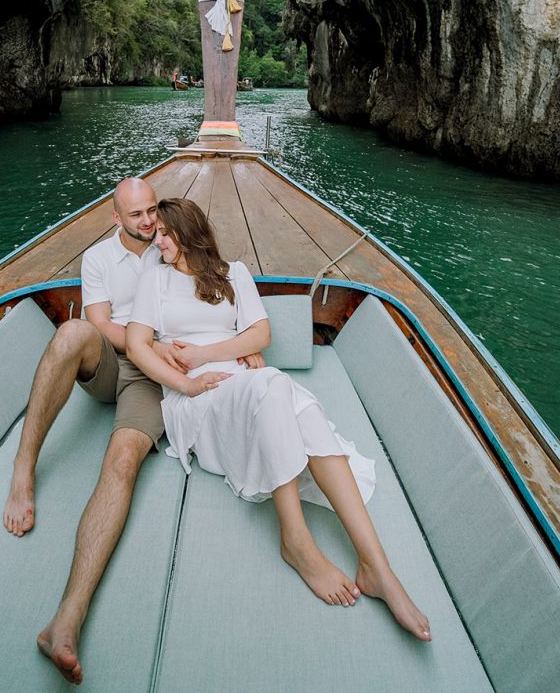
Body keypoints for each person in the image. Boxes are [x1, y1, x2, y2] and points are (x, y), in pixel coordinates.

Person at [127, 197, 431, 641]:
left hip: (243, 383)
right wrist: (189, 379)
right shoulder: (153, 278)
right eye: (156, 235)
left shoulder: (234, 275)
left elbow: (261, 333)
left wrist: (208, 351)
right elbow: (136, 345)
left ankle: (377, 567)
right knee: (274, 386)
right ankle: (298, 542)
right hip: (198, 401)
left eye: (166, 233)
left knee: (291, 402)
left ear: (187, 233)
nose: (159, 240)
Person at [2, 177, 193, 685]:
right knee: (70, 333)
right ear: (116, 218)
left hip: (156, 378)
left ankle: (67, 619)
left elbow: (212, 285)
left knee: (122, 461)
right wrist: (144, 343)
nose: (150, 222)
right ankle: (24, 467)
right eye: (137, 215)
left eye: (153, 210)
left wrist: (235, 340)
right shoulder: (99, 260)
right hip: (118, 360)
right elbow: (101, 324)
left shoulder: (172, 245)